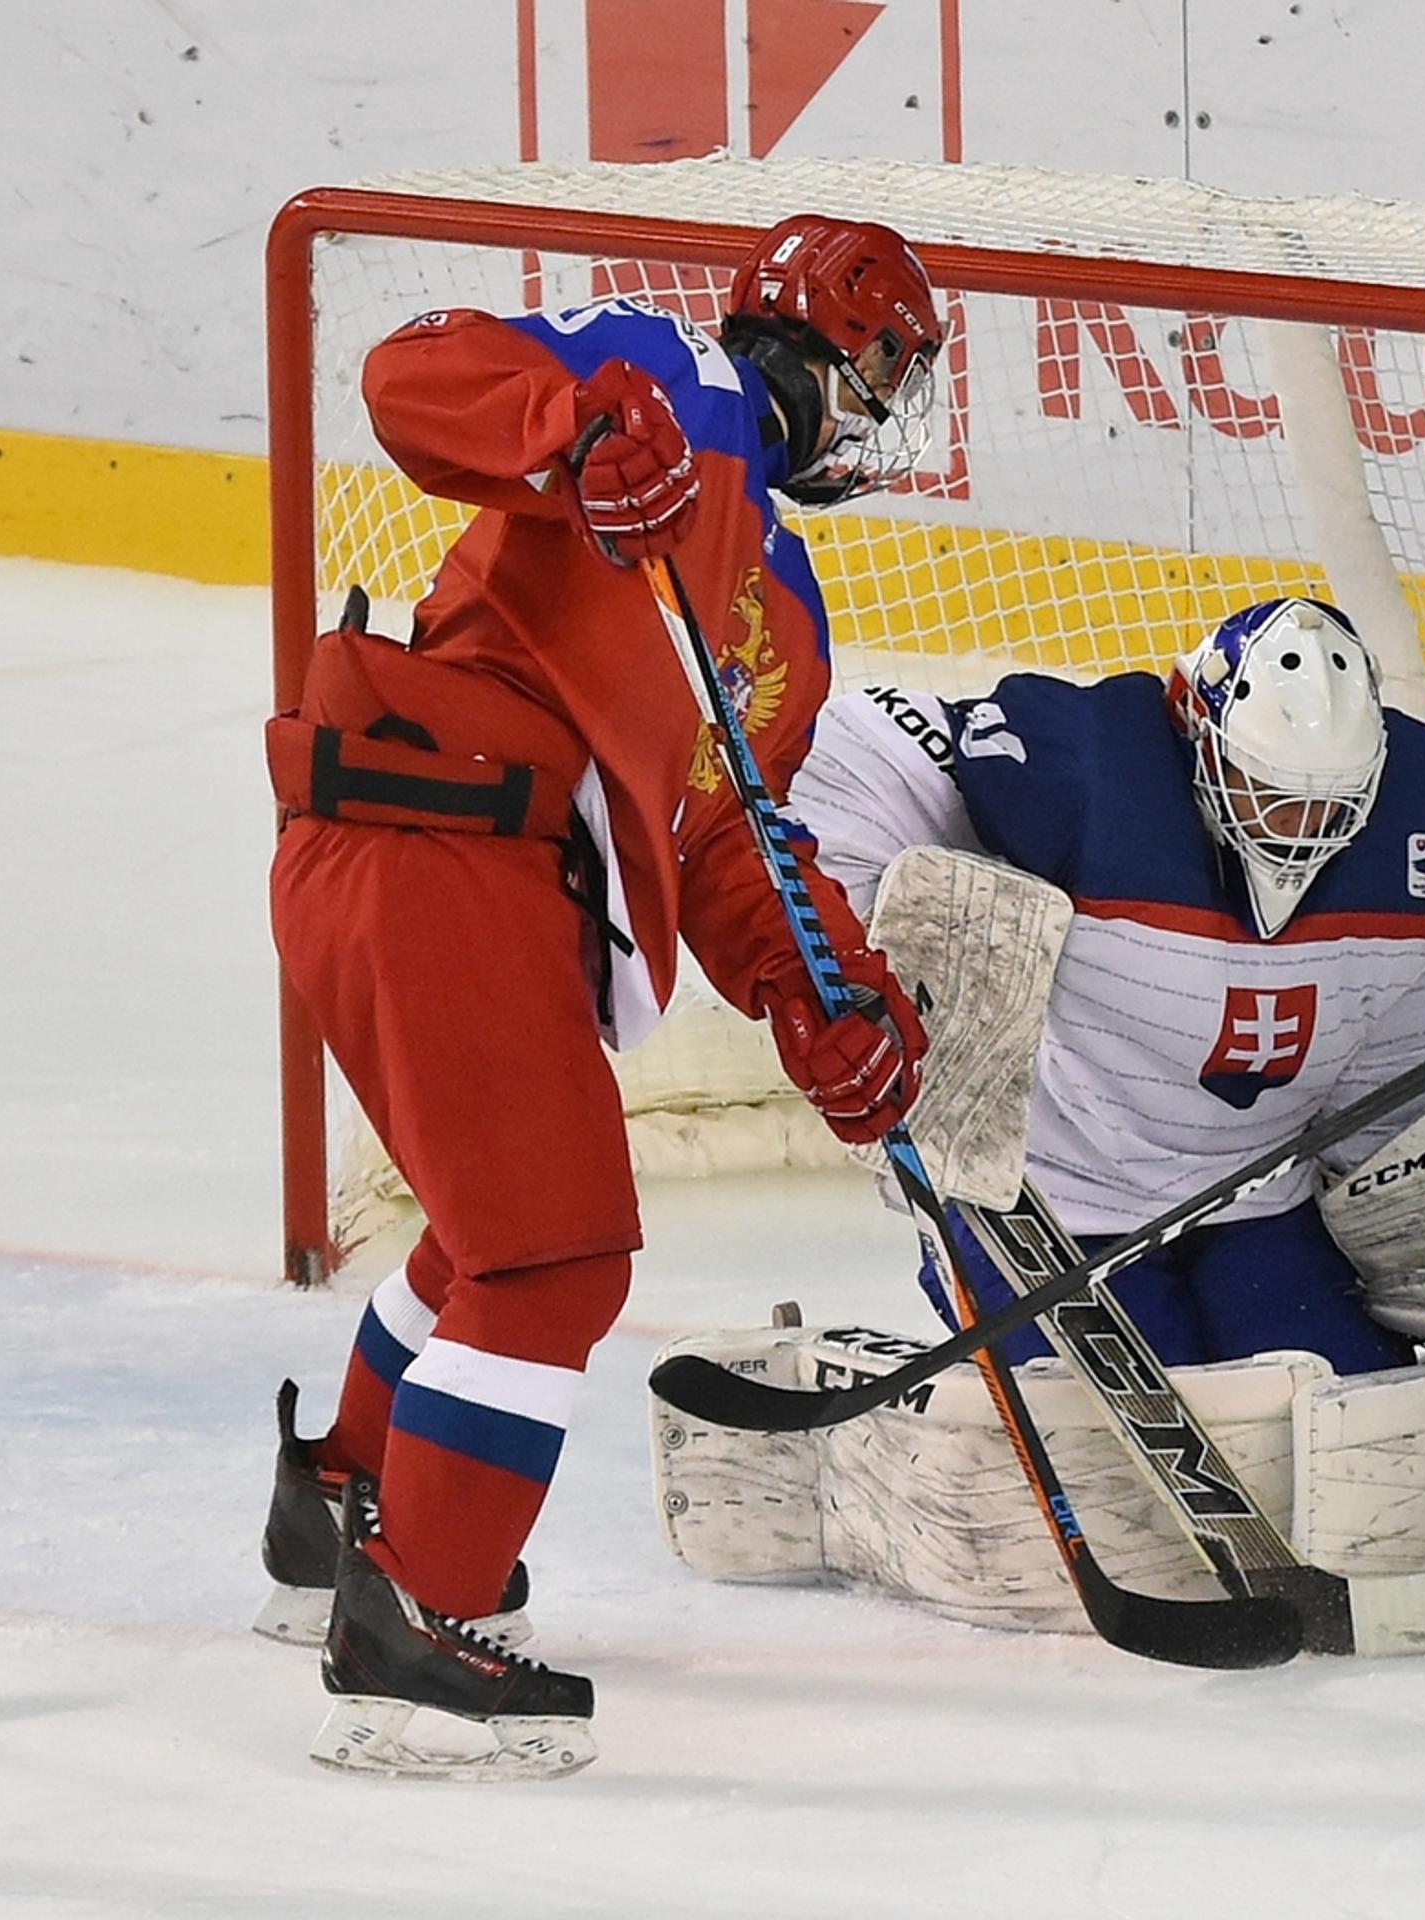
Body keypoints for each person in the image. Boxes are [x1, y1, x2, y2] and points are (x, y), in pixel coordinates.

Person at [254, 214, 946, 1780]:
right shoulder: (661, 376)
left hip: (457, 873)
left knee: (485, 1234)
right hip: (436, 845)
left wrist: (824, 997)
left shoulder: (780, 610)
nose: (887, 423)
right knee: (553, 1257)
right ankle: (411, 1629)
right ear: (848, 362)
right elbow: (411, 375)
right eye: (892, 381)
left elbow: (728, 837)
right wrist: (567, 433)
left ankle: (341, 1506)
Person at [785, 597, 1425, 1375]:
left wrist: (1420, 1204)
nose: (1294, 824)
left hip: (1265, 1196)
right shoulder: (1085, 773)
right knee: (1126, 1427)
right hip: (1047, 1200)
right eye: (1265, 788)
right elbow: (849, 747)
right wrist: (851, 960)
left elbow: (1398, 1058)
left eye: (1326, 803)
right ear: (1196, 731)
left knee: (1346, 1399)